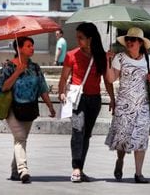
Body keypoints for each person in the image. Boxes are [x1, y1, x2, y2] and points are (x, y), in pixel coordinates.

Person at [58, 23, 115, 183]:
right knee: (78, 131)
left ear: (90, 39)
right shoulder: (71, 55)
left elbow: (107, 80)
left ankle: (80, 169)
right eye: (77, 37)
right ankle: (76, 168)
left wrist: (112, 98)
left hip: (94, 100)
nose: (77, 40)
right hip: (77, 99)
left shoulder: (102, 56)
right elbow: (63, 78)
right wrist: (62, 92)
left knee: (86, 135)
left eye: (80, 38)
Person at [0, 36, 56, 183]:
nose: (32, 48)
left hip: (29, 108)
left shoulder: (35, 67)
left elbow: (42, 87)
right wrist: (17, 72)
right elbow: (3, 87)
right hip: (13, 109)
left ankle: (15, 171)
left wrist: (50, 105)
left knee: (20, 140)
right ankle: (23, 170)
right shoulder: (9, 67)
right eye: (28, 46)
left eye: (32, 46)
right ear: (19, 48)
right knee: (20, 138)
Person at [104, 27, 150, 183]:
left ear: (140, 43)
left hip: (143, 106)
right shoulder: (119, 58)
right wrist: (108, 61)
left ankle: (138, 173)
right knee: (122, 140)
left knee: (141, 139)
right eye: (127, 39)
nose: (129, 42)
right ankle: (120, 160)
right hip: (124, 106)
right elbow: (111, 79)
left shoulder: (148, 59)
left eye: (133, 40)